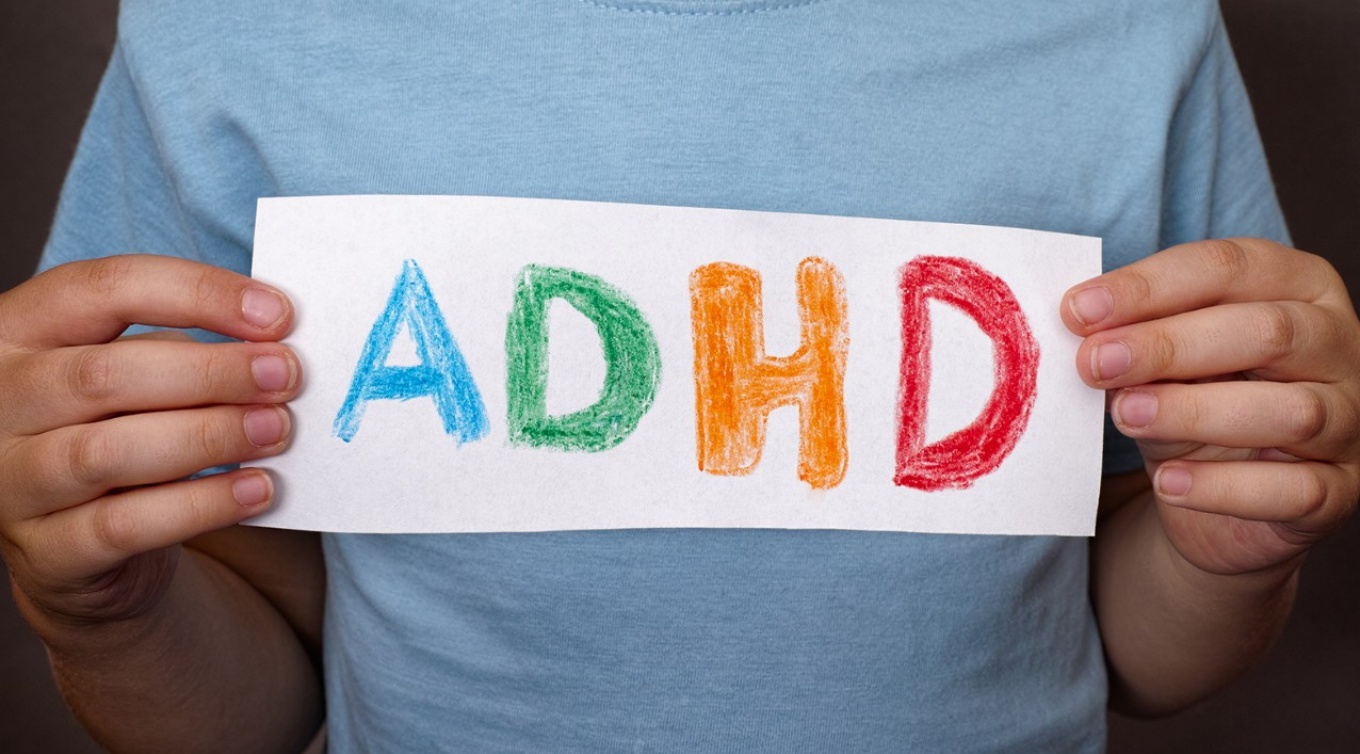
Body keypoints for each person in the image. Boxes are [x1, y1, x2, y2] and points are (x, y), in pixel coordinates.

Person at [3, 1, 1357, 751]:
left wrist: (1232, 552)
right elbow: (257, 688)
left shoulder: (1122, 29)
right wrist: (105, 612)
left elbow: (1127, 644)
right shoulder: (232, 35)